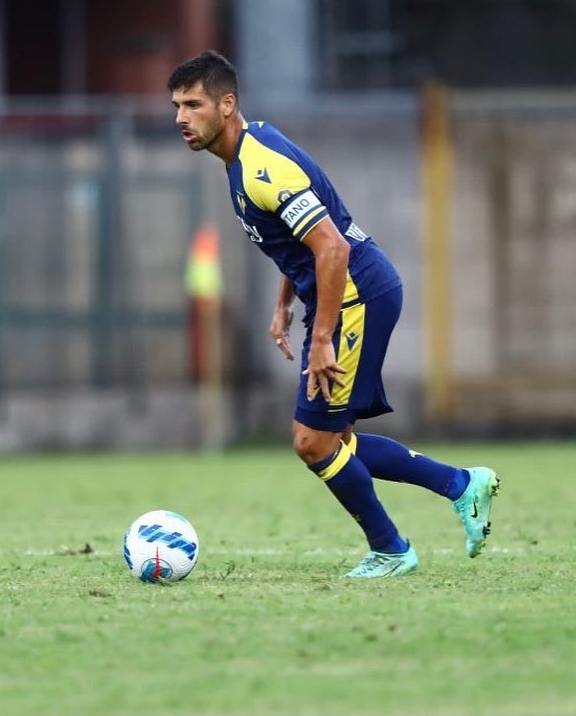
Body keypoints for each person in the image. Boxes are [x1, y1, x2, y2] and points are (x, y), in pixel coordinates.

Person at [167, 50, 500, 578]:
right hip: (348, 293)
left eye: (193, 105)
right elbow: (300, 242)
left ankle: (392, 550)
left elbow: (332, 247)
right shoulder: (245, 156)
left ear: (227, 104)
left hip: (355, 295)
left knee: (312, 441)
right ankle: (461, 485)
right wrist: (284, 302)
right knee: (335, 440)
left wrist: (321, 338)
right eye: (177, 107)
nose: (181, 118)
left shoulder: (261, 168)